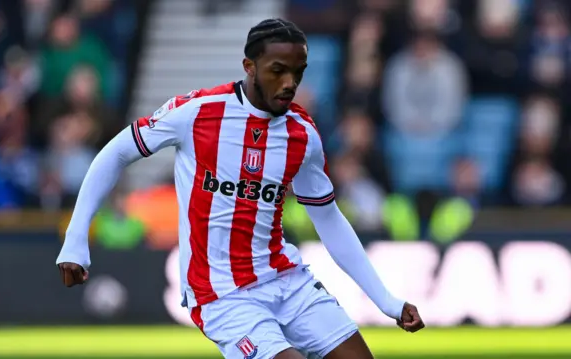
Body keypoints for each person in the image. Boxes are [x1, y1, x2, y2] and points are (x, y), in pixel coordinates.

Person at [56, 18, 424, 359]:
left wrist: (386, 301)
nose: (289, 83)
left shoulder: (303, 134)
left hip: (286, 279)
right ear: (250, 67)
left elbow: (328, 219)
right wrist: (76, 237)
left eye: (298, 72)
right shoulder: (198, 112)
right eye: (278, 70)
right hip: (221, 294)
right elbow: (115, 153)